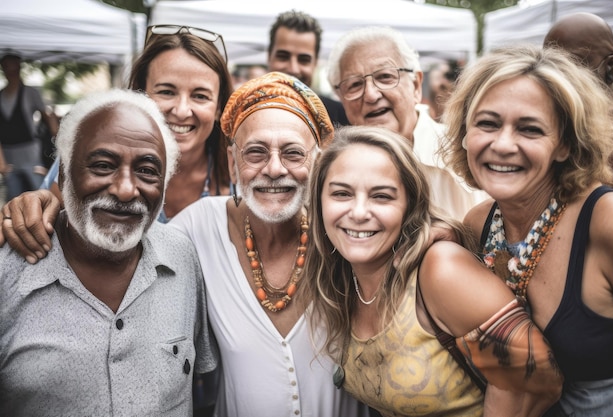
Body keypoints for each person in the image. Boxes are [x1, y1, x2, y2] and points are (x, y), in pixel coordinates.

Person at [1, 72, 370, 417]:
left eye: (293, 153)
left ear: (318, 162)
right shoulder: (194, 230)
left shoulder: (347, 230)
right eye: (256, 152)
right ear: (233, 161)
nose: (274, 168)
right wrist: (38, 203)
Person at [300, 125, 563, 417]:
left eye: (382, 196)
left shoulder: (439, 268)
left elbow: (535, 378)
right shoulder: (342, 281)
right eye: (341, 194)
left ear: (409, 206)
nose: (359, 212)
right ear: (319, 202)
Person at [0, 89, 216, 416]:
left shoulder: (182, 256)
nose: (126, 189)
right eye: (102, 165)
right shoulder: (8, 269)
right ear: (63, 173)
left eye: (147, 170)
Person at [440, 44, 613, 416]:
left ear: (565, 145)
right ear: (464, 134)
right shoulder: (479, 225)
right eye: (488, 123)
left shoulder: (611, 222)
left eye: (529, 129)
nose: (503, 144)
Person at [40, 24, 234, 222]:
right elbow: (44, 218)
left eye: (200, 96)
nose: (182, 111)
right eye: (166, 92)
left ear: (219, 107)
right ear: (140, 94)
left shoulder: (240, 177)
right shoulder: (86, 154)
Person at [326, 26, 487, 220]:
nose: (371, 94)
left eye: (385, 77)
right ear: (341, 98)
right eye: (354, 84)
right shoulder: (333, 168)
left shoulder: (464, 151)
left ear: (416, 85)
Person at [543, 12, 613, 190]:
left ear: (611, 67)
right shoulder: (549, 115)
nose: (558, 76)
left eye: (573, 65)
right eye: (550, 65)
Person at [268, 9, 349, 127]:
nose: (293, 69)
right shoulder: (243, 109)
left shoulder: (340, 117)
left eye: (303, 59)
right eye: (283, 57)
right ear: (269, 56)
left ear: (315, 62)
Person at [0, 53, 58, 200]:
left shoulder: (30, 93)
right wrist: (2, 162)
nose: (12, 70)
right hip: (9, 156)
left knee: (40, 194)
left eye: (14, 66)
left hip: (31, 154)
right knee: (14, 199)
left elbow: (47, 117)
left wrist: (58, 142)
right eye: (8, 66)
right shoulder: (1, 95)